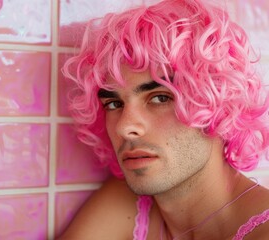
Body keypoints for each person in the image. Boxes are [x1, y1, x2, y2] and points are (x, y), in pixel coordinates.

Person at [59, 0, 269, 239]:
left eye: (160, 98)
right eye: (114, 104)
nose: (125, 127)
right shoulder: (131, 203)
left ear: (219, 105)